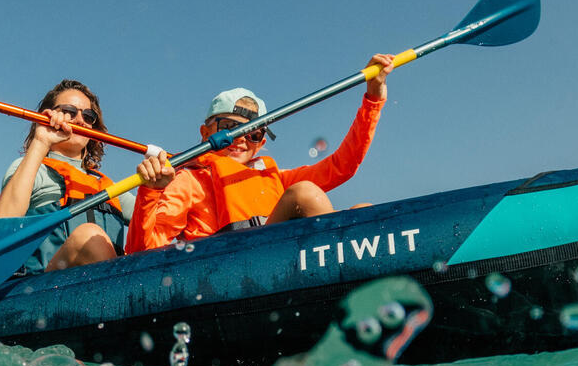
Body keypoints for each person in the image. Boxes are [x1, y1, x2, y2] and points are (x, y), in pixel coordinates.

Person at [125, 55, 395, 252]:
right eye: (229, 128)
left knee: (364, 213)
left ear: (262, 141)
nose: (240, 139)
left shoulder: (274, 177)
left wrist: (373, 97)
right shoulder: (188, 181)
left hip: (278, 259)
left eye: (253, 132)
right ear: (206, 134)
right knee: (305, 194)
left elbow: (343, 166)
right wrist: (150, 191)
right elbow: (142, 251)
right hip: (228, 269)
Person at [0, 80, 134, 273]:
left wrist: (156, 187)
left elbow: (159, 223)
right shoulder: (32, 168)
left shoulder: (110, 187)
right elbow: (4, 220)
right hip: (45, 289)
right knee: (88, 236)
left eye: (88, 115)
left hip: (104, 285)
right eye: (69, 111)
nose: (79, 120)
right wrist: (41, 141)